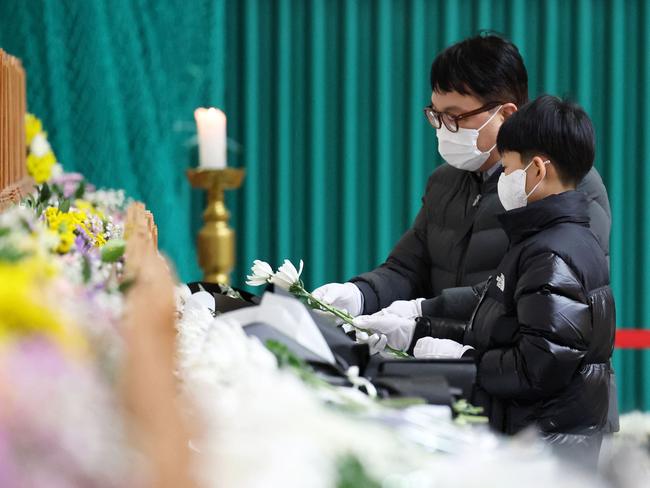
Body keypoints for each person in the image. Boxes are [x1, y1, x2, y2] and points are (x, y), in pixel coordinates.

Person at [312, 33, 618, 432]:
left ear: (505, 115)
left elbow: (537, 302)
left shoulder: (566, 187)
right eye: (437, 115)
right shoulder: (445, 183)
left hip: (540, 414)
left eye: (456, 116)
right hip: (463, 395)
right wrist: (358, 294)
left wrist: (424, 317)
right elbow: (408, 267)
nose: (444, 128)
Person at [361, 95, 614, 467]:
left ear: (539, 171)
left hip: (542, 454)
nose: (503, 182)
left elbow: (537, 367)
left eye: (509, 168)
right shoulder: (547, 240)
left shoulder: (552, 254)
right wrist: (420, 329)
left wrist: (463, 361)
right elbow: (502, 321)